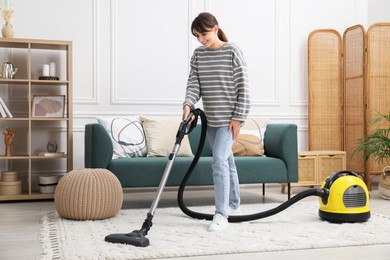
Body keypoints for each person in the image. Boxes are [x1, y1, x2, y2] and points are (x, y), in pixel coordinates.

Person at [182, 12, 250, 232]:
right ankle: (234, 204)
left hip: (229, 120)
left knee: (219, 161)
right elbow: (194, 84)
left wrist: (238, 117)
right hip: (211, 120)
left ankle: (221, 214)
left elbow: (244, 87)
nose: (201, 39)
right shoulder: (198, 55)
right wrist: (188, 105)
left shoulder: (232, 51)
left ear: (215, 28)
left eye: (204, 33)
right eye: (197, 36)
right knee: (227, 161)